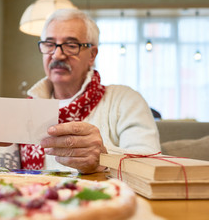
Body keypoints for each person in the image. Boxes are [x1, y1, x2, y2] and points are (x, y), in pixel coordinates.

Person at [20, 9, 161, 174]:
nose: (57, 55)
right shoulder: (26, 109)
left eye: (71, 46)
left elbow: (151, 165)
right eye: (49, 44)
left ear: (92, 55)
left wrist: (103, 160)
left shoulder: (124, 101)